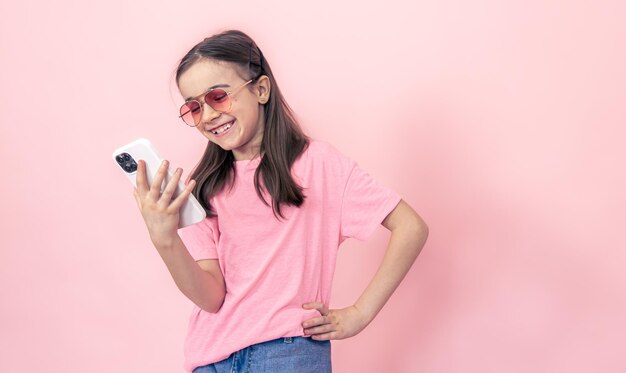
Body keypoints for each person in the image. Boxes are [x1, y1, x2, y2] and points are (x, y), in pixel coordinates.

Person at [133, 29, 429, 373]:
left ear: (261, 89)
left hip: (287, 354)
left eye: (218, 96)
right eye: (194, 107)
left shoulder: (318, 164)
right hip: (209, 359)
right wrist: (164, 238)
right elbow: (211, 298)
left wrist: (360, 314)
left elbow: (411, 227)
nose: (208, 115)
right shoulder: (203, 188)